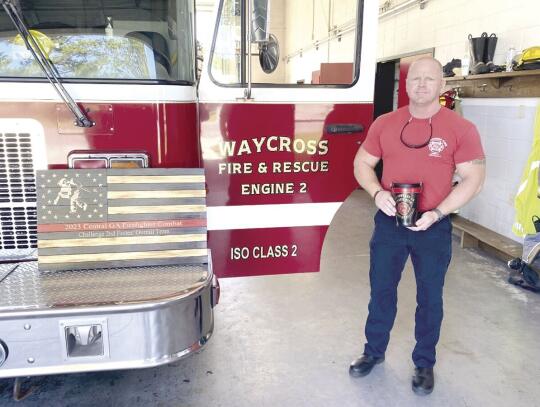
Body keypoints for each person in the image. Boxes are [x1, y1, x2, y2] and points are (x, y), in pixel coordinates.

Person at [349, 57, 486, 395]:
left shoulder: (460, 128)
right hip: (389, 224)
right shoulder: (385, 123)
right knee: (381, 290)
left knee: (430, 297)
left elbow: (474, 178)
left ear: (442, 86)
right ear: (406, 85)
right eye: (415, 79)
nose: (422, 84)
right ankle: (373, 352)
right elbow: (362, 163)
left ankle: (424, 363)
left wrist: (439, 213)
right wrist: (377, 191)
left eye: (430, 79)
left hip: (433, 226)